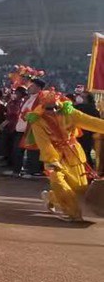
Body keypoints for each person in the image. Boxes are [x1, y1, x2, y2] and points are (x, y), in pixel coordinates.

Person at [29, 90, 104, 221]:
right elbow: (44, 143)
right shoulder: (37, 120)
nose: (52, 111)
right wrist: (52, 160)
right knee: (58, 182)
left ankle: (51, 197)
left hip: (73, 153)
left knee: (79, 189)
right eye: (48, 108)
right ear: (42, 106)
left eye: (55, 107)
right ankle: (73, 213)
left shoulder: (70, 112)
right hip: (53, 155)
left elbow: (92, 122)